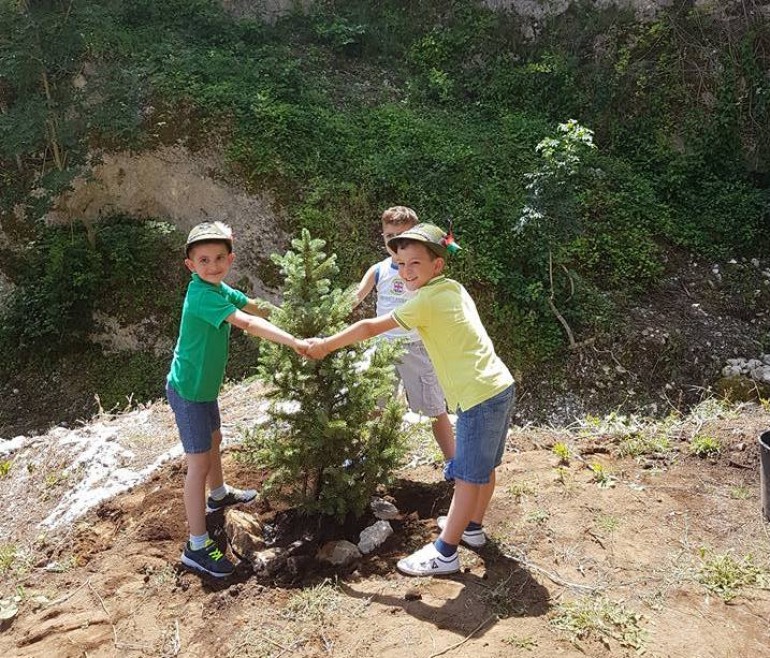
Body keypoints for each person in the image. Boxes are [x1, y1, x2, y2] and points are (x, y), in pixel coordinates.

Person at [306, 223, 514, 576]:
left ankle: (445, 552)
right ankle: (473, 529)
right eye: (401, 264)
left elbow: (370, 327)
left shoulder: (425, 301)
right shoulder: (452, 289)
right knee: (484, 468)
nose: (405, 272)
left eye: (415, 263)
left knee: (466, 477)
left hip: (479, 395)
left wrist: (324, 345)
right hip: (497, 385)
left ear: (438, 265)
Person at [167, 221, 308, 578]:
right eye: (204, 260)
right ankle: (196, 546)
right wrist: (294, 342)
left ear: (230, 259)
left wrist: (289, 315)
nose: (212, 265)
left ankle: (219, 494)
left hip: (204, 390)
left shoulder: (216, 287)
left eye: (219, 258)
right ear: (190, 265)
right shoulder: (201, 295)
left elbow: (252, 305)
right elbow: (246, 322)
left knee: (216, 439)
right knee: (197, 464)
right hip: (189, 393)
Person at [351, 206, 455, 472]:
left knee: (434, 408)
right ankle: (370, 457)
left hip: (416, 347)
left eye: (403, 235)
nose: (395, 242)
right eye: (390, 236)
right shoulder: (378, 270)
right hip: (382, 347)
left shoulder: (424, 270)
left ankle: (453, 461)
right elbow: (356, 296)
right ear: (383, 236)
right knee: (376, 406)